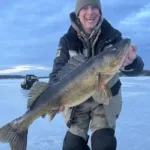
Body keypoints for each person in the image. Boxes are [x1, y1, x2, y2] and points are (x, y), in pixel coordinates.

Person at [48, 0, 144, 150]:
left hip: (105, 103)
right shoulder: (67, 41)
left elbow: (137, 69)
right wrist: (53, 98)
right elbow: (56, 73)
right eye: (85, 8)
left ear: (100, 12)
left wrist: (131, 63)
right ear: (78, 14)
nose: (90, 12)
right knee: (72, 146)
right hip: (76, 103)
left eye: (95, 7)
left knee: (104, 143)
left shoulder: (113, 36)